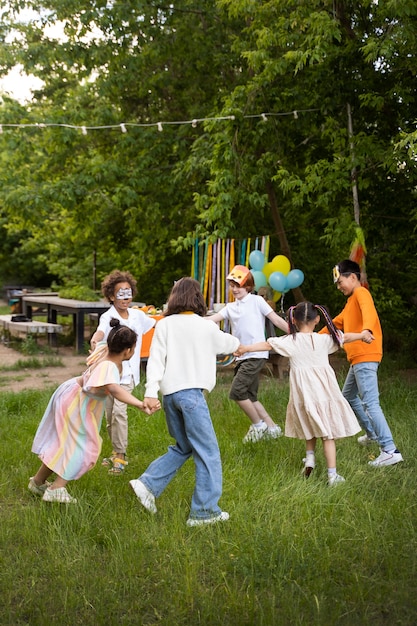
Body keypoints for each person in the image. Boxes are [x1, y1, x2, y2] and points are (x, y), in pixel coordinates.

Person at [129, 277, 241, 527]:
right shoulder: (205, 326)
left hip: (170, 396)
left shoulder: (165, 325)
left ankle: (147, 485)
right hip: (191, 396)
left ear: (174, 297)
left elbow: (156, 360)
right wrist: (239, 344)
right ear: (198, 298)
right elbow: (230, 344)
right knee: (208, 452)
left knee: (184, 446)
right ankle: (204, 512)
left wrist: (150, 392)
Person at [236, 301, 368, 486]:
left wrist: (245, 348)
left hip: (303, 394)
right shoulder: (324, 339)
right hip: (324, 392)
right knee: (327, 433)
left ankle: (310, 458)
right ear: (317, 320)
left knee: (309, 422)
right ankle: (332, 475)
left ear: (294, 321)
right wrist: (362, 335)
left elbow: (267, 345)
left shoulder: (291, 341)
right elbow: (345, 337)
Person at [28, 319, 159, 503]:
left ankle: (38, 482)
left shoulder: (106, 349)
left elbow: (98, 343)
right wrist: (139, 404)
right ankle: (56, 489)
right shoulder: (109, 366)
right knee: (84, 448)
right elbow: (114, 389)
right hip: (77, 403)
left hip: (72, 394)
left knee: (66, 445)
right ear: (128, 350)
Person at [323, 259, 403, 467]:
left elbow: (369, 312)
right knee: (348, 396)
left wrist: (366, 330)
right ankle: (372, 434)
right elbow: (334, 325)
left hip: (365, 356)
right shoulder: (350, 303)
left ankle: (389, 449)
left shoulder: (361, 293)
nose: (339, 287)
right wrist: (309, 338)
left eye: (340, 282)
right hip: (358, 359)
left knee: (370, 403)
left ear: (353, 277)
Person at [208, 264, 289, 444]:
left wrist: (295, 332)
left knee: (237, 392)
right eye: (232, 285)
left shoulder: (256, 301)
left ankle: (258, 426)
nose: (235, 289)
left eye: (238, 285)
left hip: (256, 354)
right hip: (241, 356)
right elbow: (212, 319)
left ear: (248, 286)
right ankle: (272, 428)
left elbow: (275, 319)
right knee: (250, 396)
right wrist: (191, 320)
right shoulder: (230, 307)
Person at [90, 270, 156, 474]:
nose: (125, 297)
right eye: (120, 293)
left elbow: (155, 324)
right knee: (110, 416)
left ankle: (120, 455)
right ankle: (115, 450)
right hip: (111, 373)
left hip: (129, 375)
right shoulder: (108, 317)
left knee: (119, 412)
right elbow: (100, 332)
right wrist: (95, 339)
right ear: (111, 295)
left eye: (128, 293)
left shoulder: (138, 315)